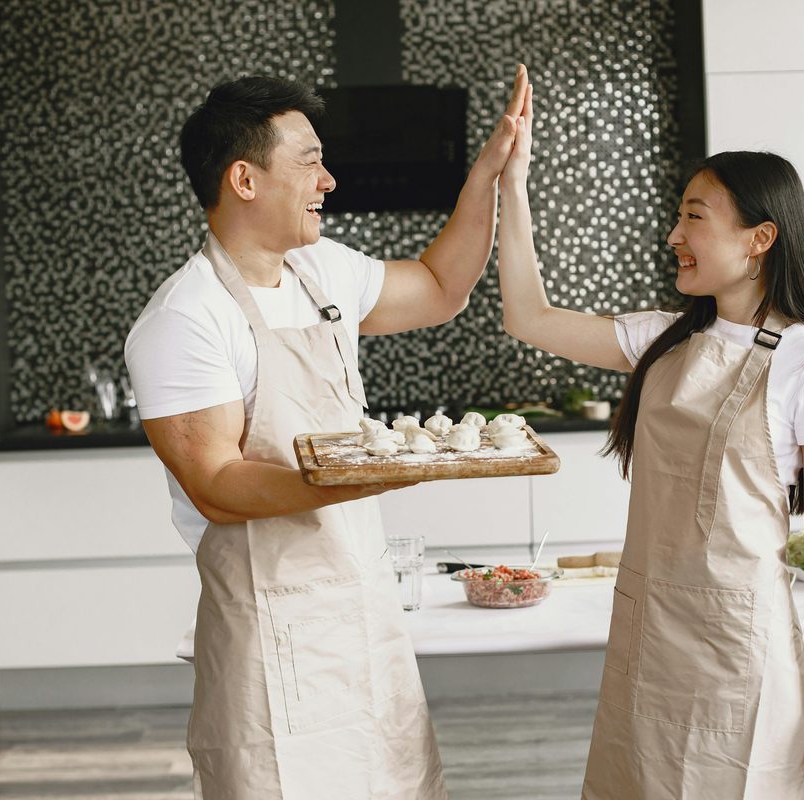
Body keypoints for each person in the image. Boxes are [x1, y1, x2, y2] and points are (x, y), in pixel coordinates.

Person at [124, 67, 528, 799]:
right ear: (245, 179)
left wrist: (488, 175)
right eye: (309, 160)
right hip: (268, 625)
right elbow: (216, 485)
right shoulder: (186, 319)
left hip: (362, 609)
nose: (329, 180)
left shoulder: (320, 270)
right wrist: (364, 475)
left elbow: (441, 288)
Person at [496, 78, 804, 799]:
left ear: (760, 239)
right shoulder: (664, 340)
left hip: (740, 652)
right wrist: (514, 181)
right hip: (647, 635)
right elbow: (528, 317)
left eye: (693, 217)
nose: (673, 236)